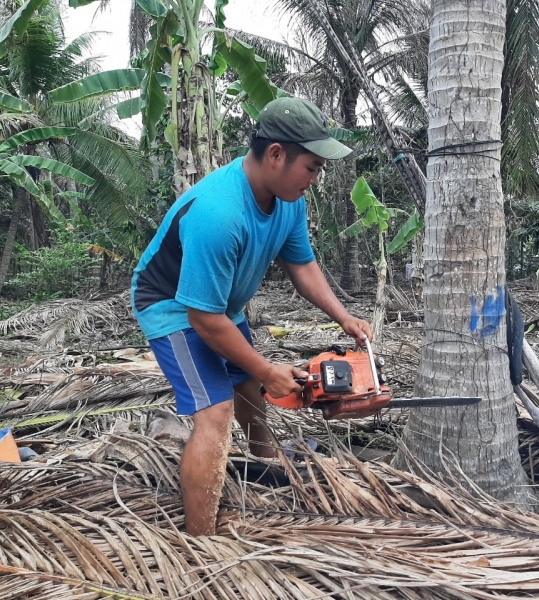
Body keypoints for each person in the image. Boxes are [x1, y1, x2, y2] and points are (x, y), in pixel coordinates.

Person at [130, 96, 373, 536]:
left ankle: (263, 460)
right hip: (174, 308)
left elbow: (302, 265)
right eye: (312, 167)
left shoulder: (289, 198)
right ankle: (201, 540)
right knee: (217, 411)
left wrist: (344, 318)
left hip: (220, 306)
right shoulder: (218, 213)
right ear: (276, 154)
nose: (315, 180)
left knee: (247, 387)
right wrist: (267, 369)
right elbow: (202, 319)